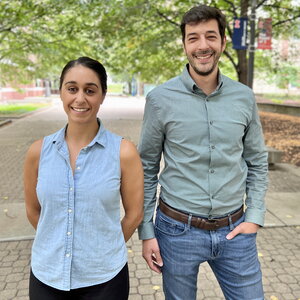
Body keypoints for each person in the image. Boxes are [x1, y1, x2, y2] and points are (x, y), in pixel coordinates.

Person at [138, 5, 268, 300]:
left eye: (211, 36)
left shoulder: (244, 97)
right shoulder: (160, 99)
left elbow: (257, 162)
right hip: (175, 232)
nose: (203, 45)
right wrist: (146, 231)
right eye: (193, 38)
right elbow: (146, 167)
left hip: (237, 230)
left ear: (223, 42)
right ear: (184, 45)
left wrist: (255, 216)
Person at [24, 56, 144, 299]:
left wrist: (104, 248)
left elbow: (134, 214)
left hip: (105, 279)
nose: (80, 98)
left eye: (90, 90)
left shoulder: (123, 152)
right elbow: (33, 211)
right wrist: (56, 239)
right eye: (72, 89)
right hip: (47, 275)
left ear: (102, 96)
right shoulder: (38, 151)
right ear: (61, 93)